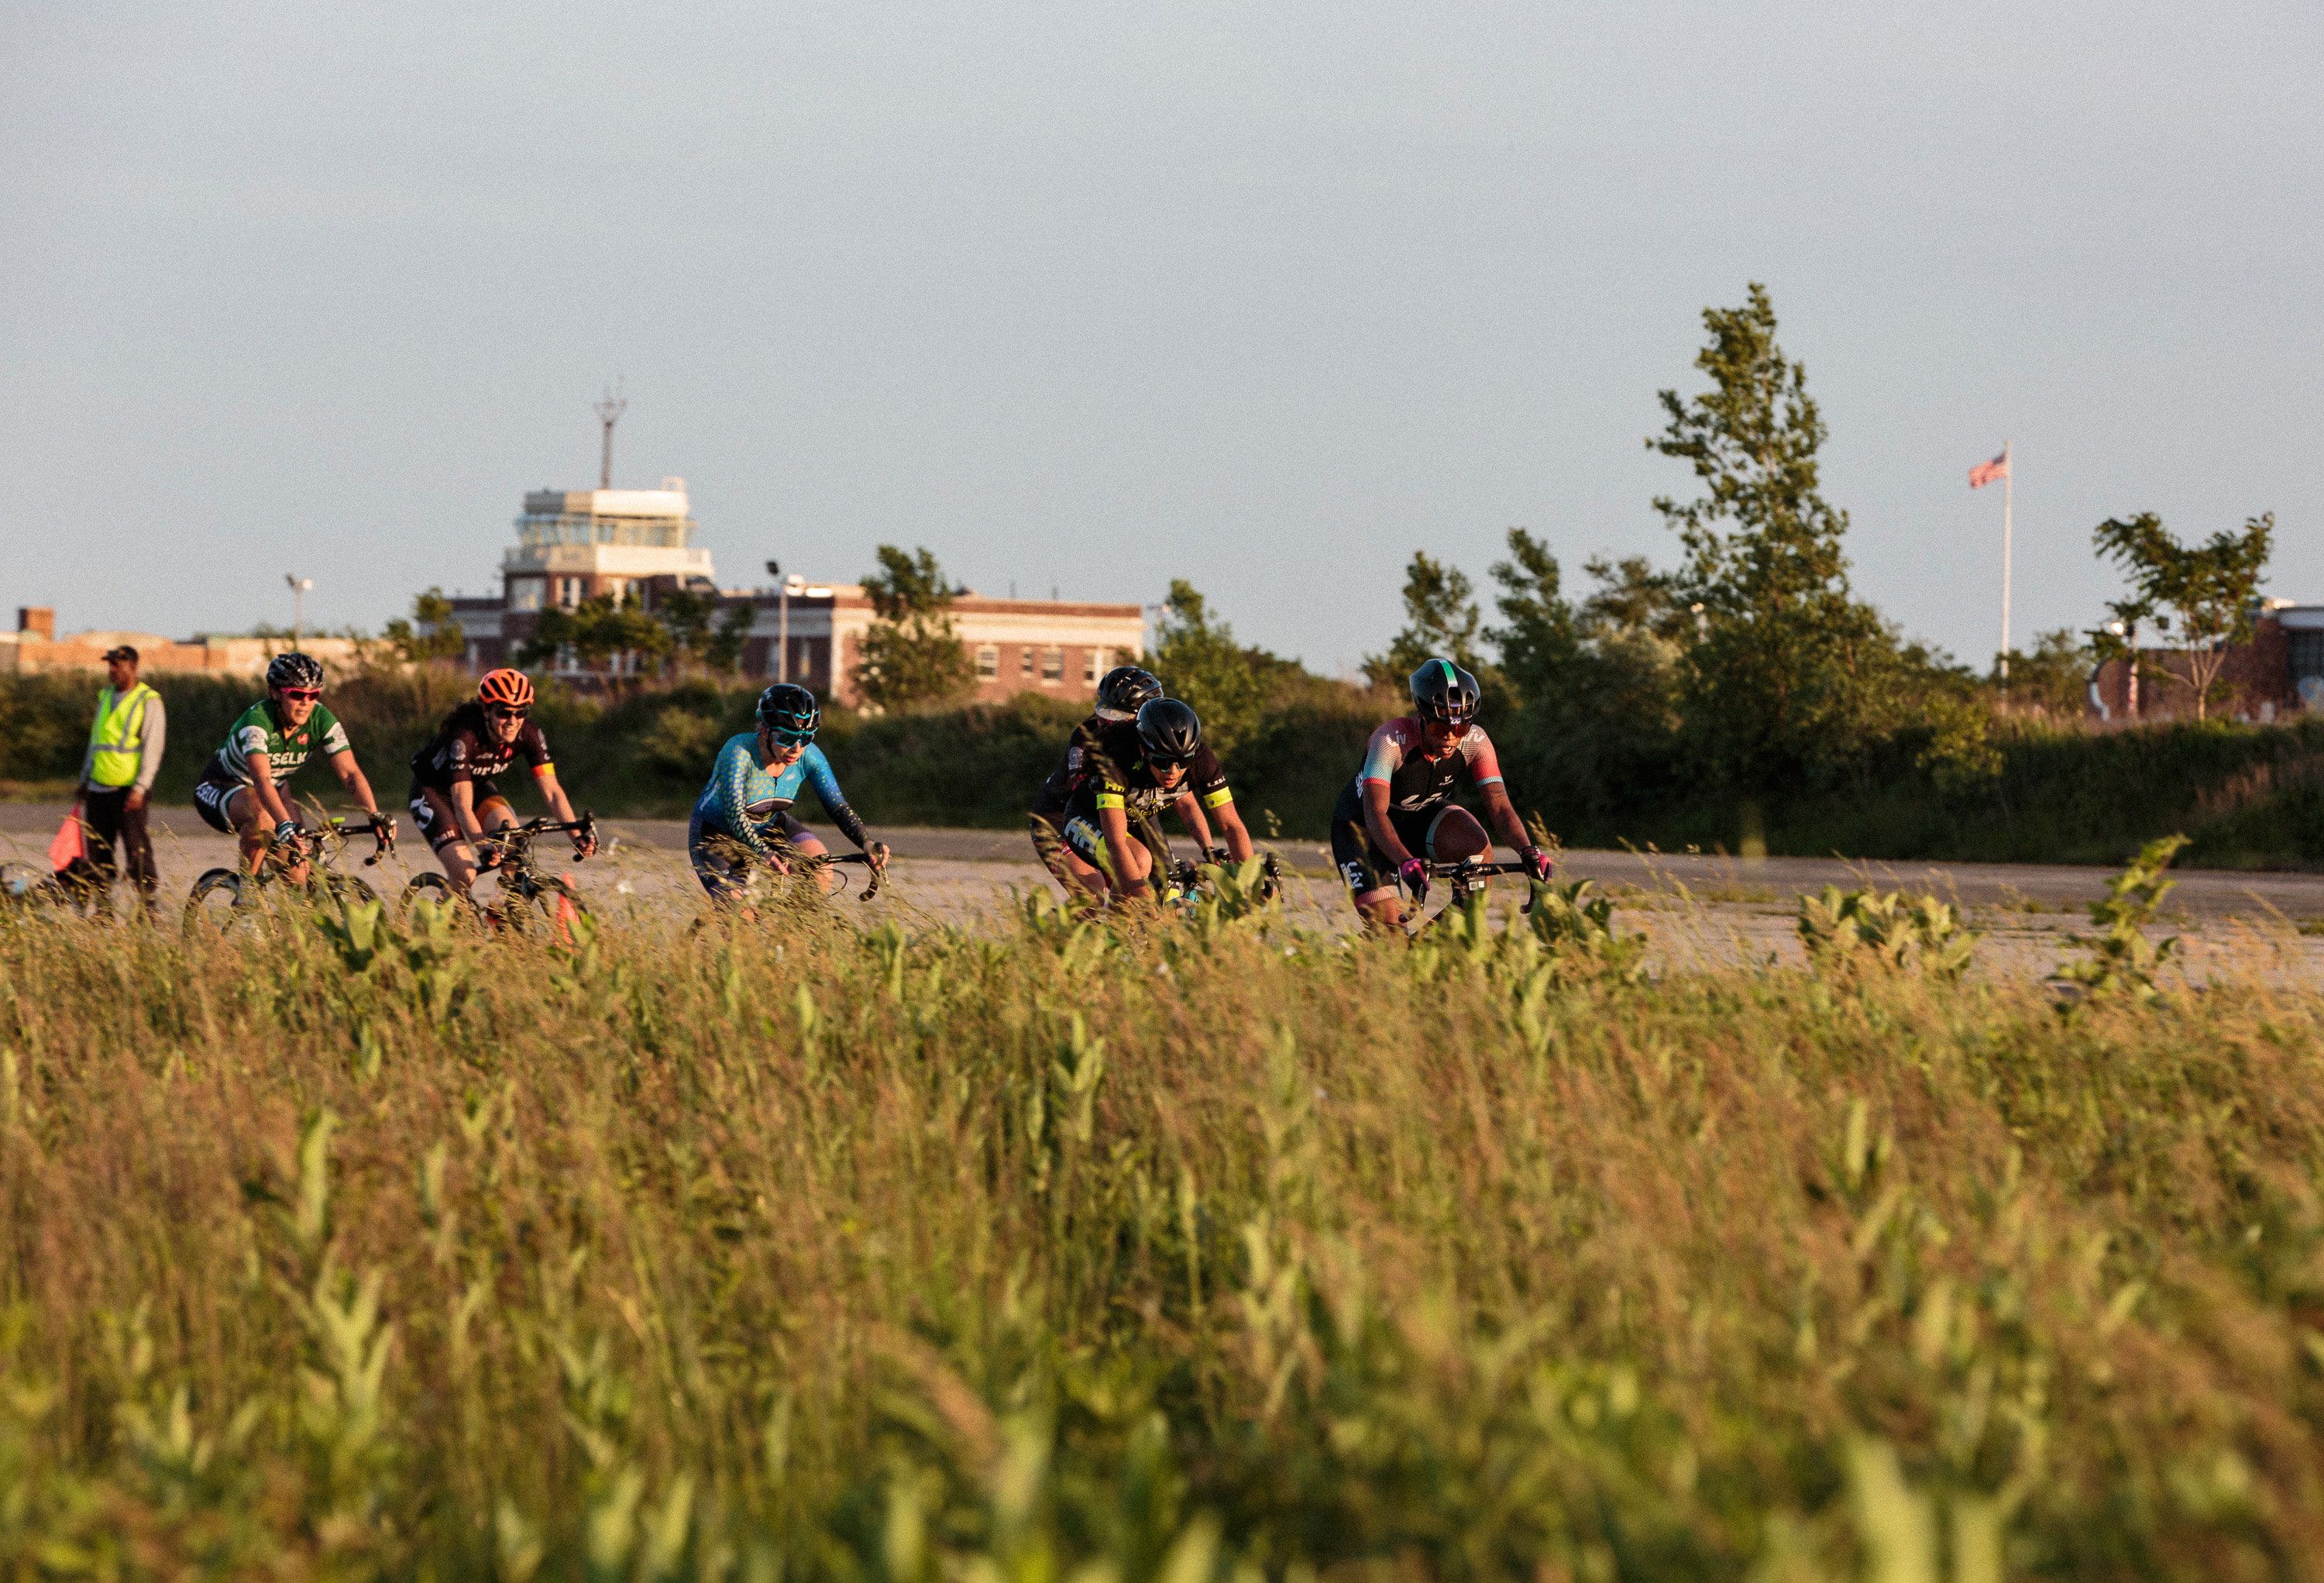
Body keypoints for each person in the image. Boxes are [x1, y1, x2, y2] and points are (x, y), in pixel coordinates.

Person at [1330, 658, 1552, 930]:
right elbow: (1375, 812)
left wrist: (1529, 851)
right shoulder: (1389, 741)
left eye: (1460, 728)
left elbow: (1499, 806)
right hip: (1362, 831)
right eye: (1439, 727)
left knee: (1477, 850)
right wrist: (1404, 861)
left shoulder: (1477, 743)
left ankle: (1433, 943)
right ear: (1422, 719)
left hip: (1418, 820)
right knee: (1391, 940)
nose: (1450, 736)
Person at [191, 652, 392, 881]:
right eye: (296, 694)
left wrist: (374, 814)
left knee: (298, 875)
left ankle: (286, 916)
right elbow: (261, 781)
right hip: (222, 786)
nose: (306, 703)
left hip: (275, 791)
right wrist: (284, 824)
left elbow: (350, 773)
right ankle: (247, 894)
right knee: (262, 814)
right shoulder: (257, 721)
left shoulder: (321, 719)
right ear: (275, 692)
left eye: (313, 695)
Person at [689, 683, 889, 902]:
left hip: (769, 825)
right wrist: (765, 853)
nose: (796, 748)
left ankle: (789, 929)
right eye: (786, 737)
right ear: (764, 729)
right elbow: (735, 815)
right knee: (738, 911)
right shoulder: (739, 753)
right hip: (717, 835)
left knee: (821, 869)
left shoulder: (809, 757)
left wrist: (866, 843)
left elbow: (837, 807)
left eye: (806, 738)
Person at [407, 669, 594, 897]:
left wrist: (576, 836)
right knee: (465, 874)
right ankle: (432, 926)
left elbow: (553, 792)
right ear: (486, 710)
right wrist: (483, 845)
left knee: (514, 845)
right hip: (434, 793)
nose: (513, 721)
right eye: (504, 713)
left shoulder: (530, 733)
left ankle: (500, 916)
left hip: (476, 787)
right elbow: (462, 806)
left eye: (521, 712)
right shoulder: (465, 738)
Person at [1028, 665, 1220, 886]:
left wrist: (1209, 850)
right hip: (1058, 820)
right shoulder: (1087, 739)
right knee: (1097, 890)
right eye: (1104, 712)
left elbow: (1184, 801)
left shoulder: (1151, 745)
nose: (1104, 721)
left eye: (1117, 717)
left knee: (1166, 884)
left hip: (1122, 815)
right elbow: (1086, 801)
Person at [1057, 697, 1253, 905]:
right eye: (1162, 762)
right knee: (1140, 861)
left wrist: (1249, 885)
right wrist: (1146, 904)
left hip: (1135, 822)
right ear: (1143, 750)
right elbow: (1116, 842)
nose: (1174, 772)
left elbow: (1231, 825)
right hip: (1086, 817)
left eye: (1183, 761)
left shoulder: (1203, 761)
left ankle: (1114, 929)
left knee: (1168, 886)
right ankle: (1116, 929)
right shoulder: (1118, 765)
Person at [63, 645, 167, 917]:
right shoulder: (106, 697)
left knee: (136, 849)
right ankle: (104, 909)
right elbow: (96, 743)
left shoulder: (148, 701)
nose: (111, 670)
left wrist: (141, 787)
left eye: (117, 665)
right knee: (98, 850)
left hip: (128, 790)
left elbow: (153, 748)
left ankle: (148, 907)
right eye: (109, 665)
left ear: (132, 667)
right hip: (99, 787)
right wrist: (85, 779)